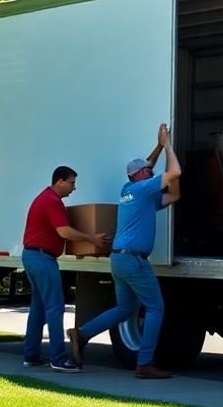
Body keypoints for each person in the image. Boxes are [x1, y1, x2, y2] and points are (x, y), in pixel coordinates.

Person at [69, 123, 181, 379]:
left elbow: (174, 195)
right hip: (134, 261)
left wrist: (157, 147)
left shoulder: (130, 192)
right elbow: (175, 172)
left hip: (119, 259)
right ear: (141, 174)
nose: (151, 171)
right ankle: (144, 364)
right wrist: (167, 145)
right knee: (156, 308)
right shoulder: (142, 190)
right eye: (148, 171)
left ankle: (82, 334)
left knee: (124, 309)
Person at [22, 165, 108, 372]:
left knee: (39, 309)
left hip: (33, 256)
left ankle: (31, 355)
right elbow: (64, 231)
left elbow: (58, 233)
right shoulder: (52, 201)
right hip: (42, 259)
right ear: (59, 181)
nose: (73, 188)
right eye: (72, 183)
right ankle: (58, 359)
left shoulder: (45, 198)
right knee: (55, 308)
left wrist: (80, 246)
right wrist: (91, 240)